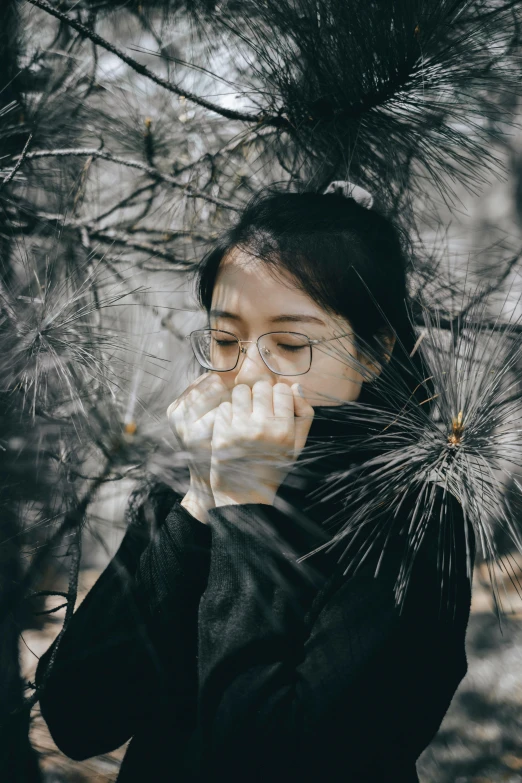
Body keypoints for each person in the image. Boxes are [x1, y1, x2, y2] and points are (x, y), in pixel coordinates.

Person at [35, 187, 475, 782]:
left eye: (290, 344)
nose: (244, 372)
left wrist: (246, 513)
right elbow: (79, 718)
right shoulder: (195, 477)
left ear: (371, 354)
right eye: (224, 340)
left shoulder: (413, 517)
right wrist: (197, 503)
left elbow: (270, 753)